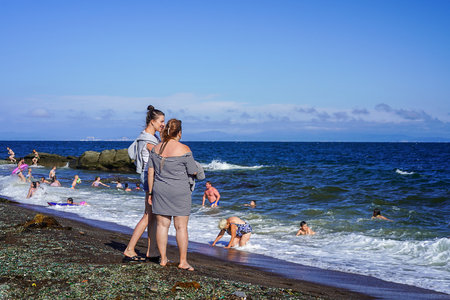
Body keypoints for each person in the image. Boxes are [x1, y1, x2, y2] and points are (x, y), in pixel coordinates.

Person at [148, 118, 198, 271]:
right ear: (180, 133)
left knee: (162, 226)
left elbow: (151, 172)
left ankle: (163, 259)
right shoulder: (184, 149)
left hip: (160, 189)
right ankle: (183, 261)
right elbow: (193, 171)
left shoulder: (156, 148)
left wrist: (150, 192)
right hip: (180, 192)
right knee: (181, 227)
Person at [123, 105, 165, 263]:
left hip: (147, 176)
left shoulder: (144, 137)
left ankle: (152, 250)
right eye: (161, 121)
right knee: (148, 216)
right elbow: (160, 156)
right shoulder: (149, 140)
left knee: (152, 216)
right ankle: (130, 248)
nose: (163, 125)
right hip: (149, 177)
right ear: (153, 122)